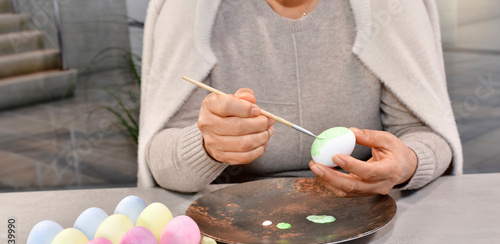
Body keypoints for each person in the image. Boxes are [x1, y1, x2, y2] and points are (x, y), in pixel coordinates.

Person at [137, 0, 463, 196]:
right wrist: (207, 146)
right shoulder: (192, 11)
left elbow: (425, 135)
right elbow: (161, 158)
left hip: (369, 215)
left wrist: (406, 164)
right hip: (235, 227)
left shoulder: (390, 9)